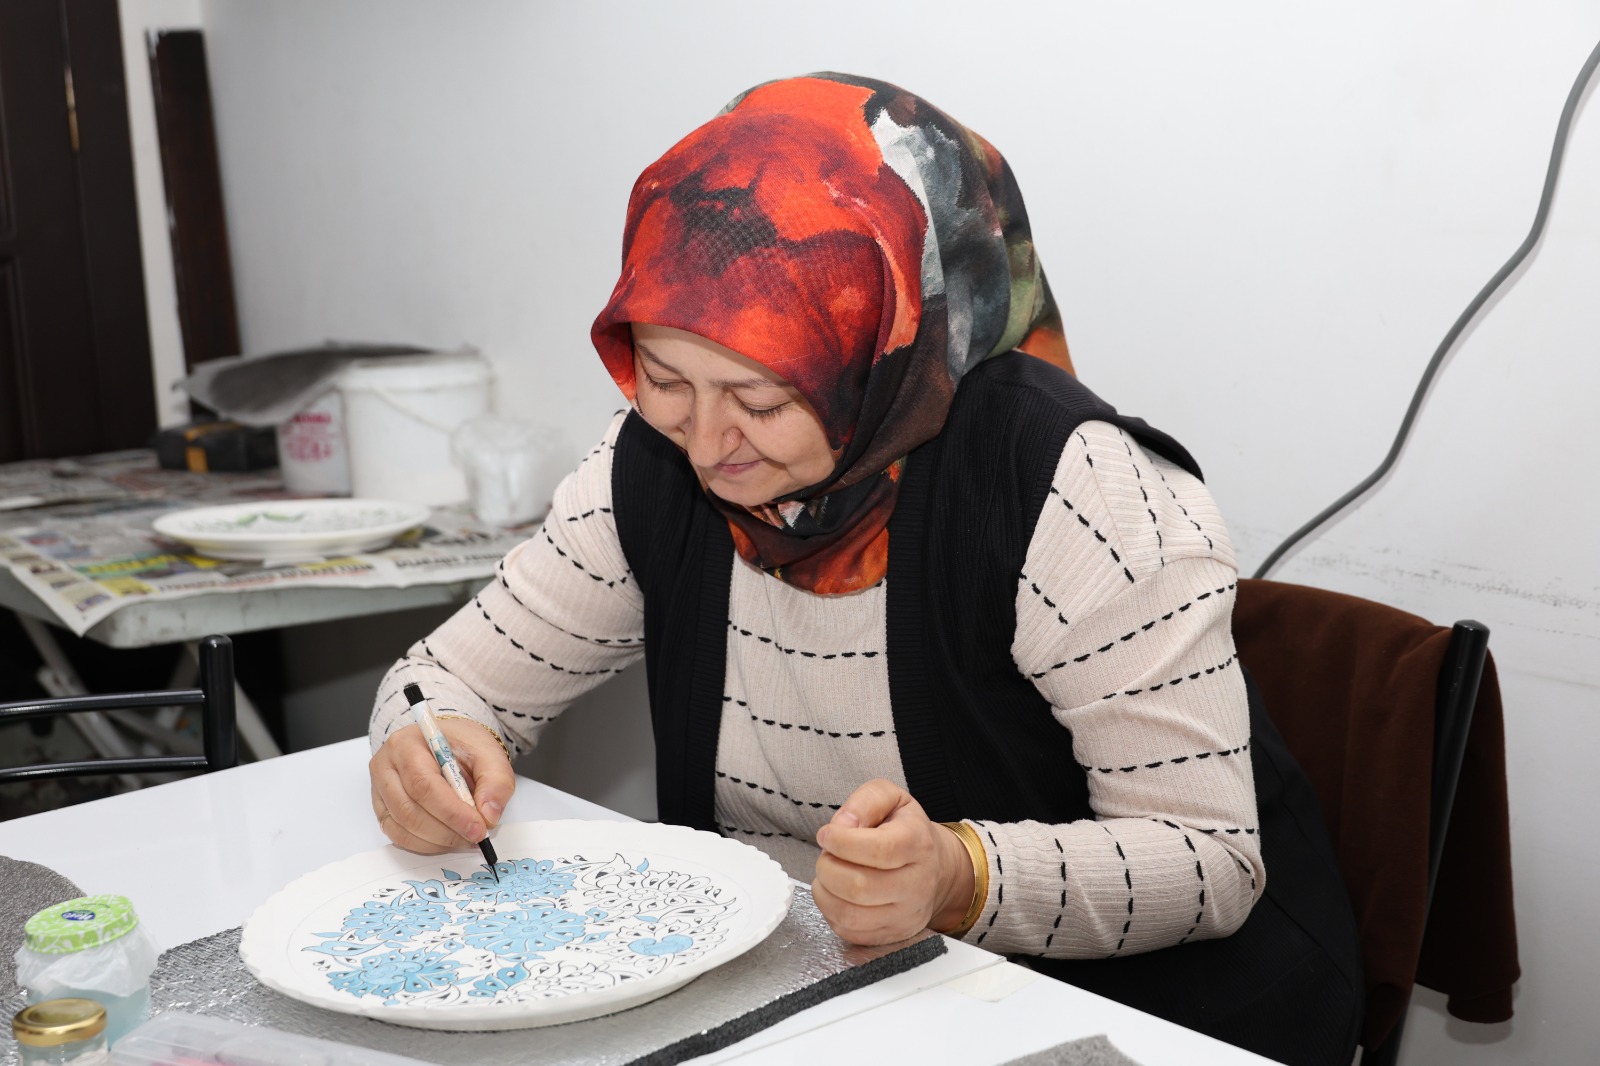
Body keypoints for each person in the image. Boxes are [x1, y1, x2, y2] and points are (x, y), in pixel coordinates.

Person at [366, 73, 1362, 1064]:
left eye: (761, 400)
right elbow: (438, 681)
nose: (707, 444)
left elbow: (1208, 861)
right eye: (664, 380)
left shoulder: (1069, 489)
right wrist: (429, 743)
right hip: (838, 1003)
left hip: (1133, 1015)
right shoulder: (649, 467)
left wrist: (960, 875)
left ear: (879, 345)